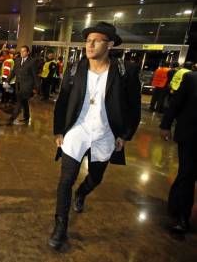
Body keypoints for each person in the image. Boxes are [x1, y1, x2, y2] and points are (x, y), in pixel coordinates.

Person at [49, 21, 141, 250]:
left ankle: (83, 192)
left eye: (96, 40)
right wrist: (59, 130)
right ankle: (60, 225)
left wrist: (125, 134)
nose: (89, 44)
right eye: (87, 40)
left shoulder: (124, 72)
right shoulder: (75, 68)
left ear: (110, 44)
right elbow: (63, 101)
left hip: (106, 134)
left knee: (96, 177)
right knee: (65, 180)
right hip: (77, 132)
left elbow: (133, 106)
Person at [160, 71, 197, 234]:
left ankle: (176, 206)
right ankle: (182, 217)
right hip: (192, 136)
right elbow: (175, 104)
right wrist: (165, 125)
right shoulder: (191, 78)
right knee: (187, 175)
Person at [6, 46, 37, 125]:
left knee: (19, 102)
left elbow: (35, 76)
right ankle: (27, 117)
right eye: (21, 51)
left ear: (28, 52)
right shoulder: (17, 60)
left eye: (24, 51)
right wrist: (7, 81)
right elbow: (13, 72)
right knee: (24, 101)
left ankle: (12, 118)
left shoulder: (32, 62)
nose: (22, 53)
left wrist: (36, 88)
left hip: (27, 86)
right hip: (18, 85)